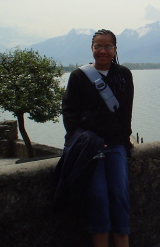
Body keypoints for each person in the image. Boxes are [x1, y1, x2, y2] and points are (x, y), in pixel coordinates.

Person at [61, 29, 134, 247]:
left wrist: (125, 139)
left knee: (120, 197)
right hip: (89, 148)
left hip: (115, 145)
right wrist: (77, 141)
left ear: (115, 49)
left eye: (107, 47)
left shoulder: (123, 75)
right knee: (98, 199)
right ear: (92, 49)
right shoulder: (78, 76)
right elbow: (69, 112)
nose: (103, 51)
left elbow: (126, 112)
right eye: (98, 46)